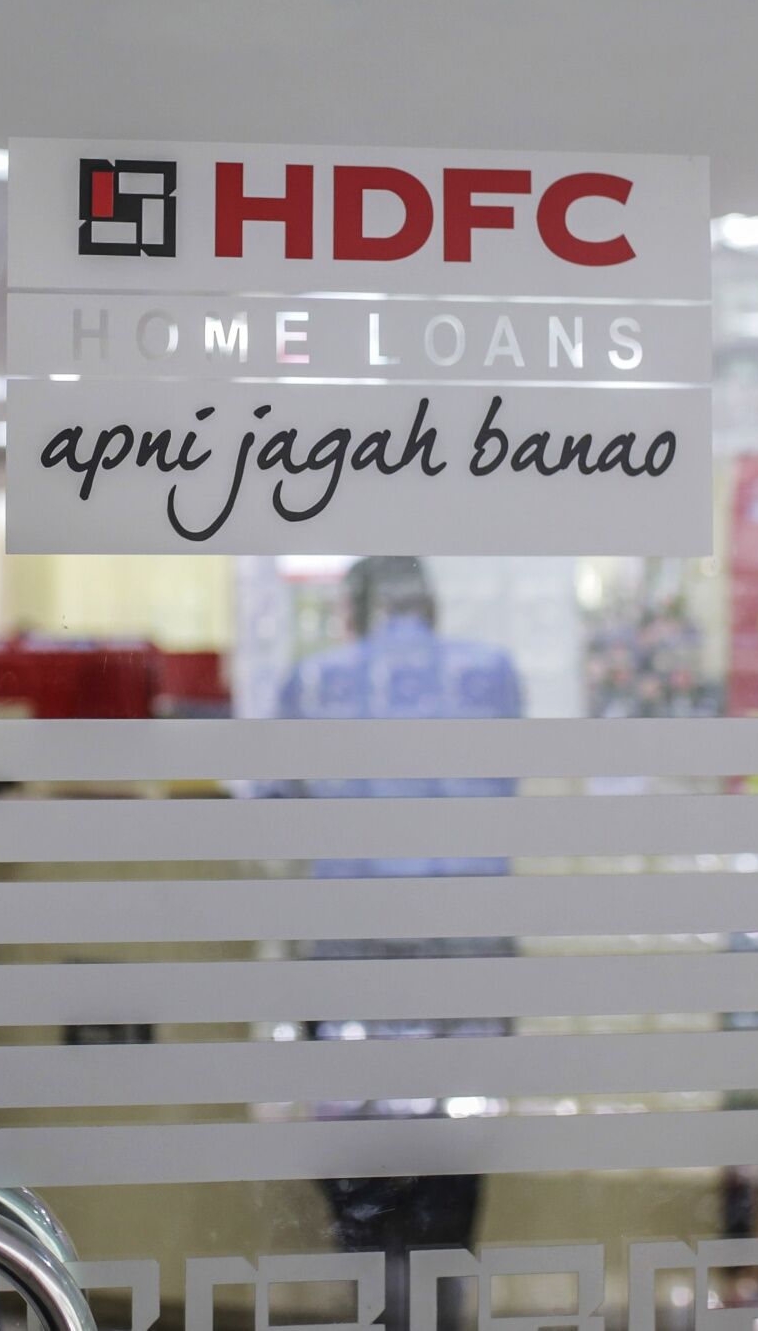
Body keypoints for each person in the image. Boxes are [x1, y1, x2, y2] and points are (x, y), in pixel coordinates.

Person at [264, 556, 523, 1331]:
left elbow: (275, 801)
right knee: (455, 1162)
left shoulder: (315, 683)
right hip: (469, 959)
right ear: (430, 608)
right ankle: (442, 1308)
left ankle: (378, 1309)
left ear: (355, 610)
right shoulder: (493, 675)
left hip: (353, 961)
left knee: (360, 1172)